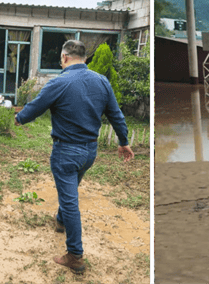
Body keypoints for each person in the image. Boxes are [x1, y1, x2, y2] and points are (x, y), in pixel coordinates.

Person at [15, 40, 134, 274]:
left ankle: (75, 256)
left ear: (65, 57)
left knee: (71, 202)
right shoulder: (101, 81)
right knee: (69, 191)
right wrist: (124, 142)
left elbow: (35, 107)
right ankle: (60, 221)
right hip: (90, 152)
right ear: (85, 58)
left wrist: (19, 118)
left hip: (66, 152)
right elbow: (115, 114)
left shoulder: (59, 82)